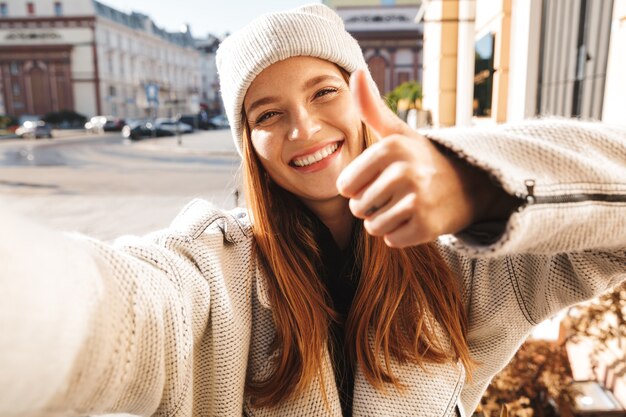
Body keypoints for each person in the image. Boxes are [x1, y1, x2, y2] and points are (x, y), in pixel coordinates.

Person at [1, 4, 625, 417]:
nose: (303, 127)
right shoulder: (218, 275)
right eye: (267, 114)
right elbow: (123, 309)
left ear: (364, 100)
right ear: (250, 145)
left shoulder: (465, 262)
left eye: (325, 91)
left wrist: (478, 184)